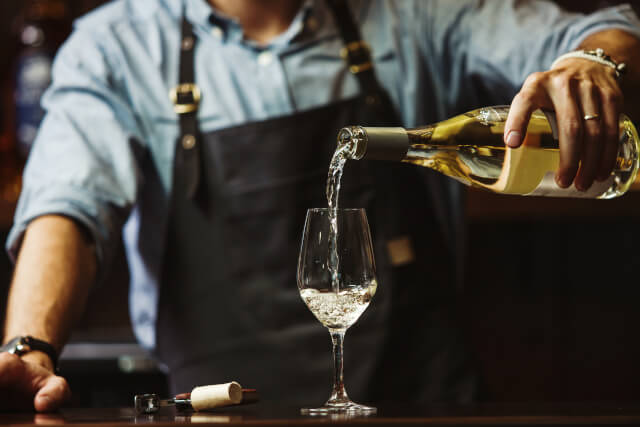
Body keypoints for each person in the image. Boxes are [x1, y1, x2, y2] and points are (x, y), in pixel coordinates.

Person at [2, 0, 640, 412]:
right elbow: (67, 204)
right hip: (221, 413)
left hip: (425, 405)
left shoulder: (412, 14)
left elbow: (599, 29)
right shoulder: (115, 46)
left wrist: (592, 61)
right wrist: (29, 347)